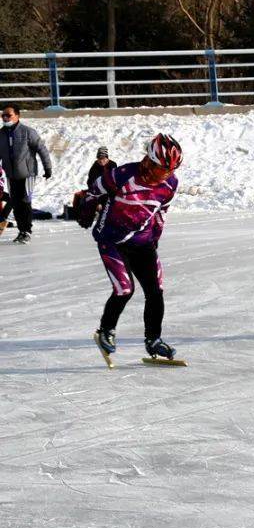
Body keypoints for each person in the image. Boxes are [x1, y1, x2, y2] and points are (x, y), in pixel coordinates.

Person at [81, 133, 183, 363]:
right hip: (112, 241)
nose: (164, 175)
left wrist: (155, 237)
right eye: (160, 169)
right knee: (124, 289)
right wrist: (86, 209)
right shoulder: (124, 174)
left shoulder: (171, 183)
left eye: (169, 170)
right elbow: (93, 191)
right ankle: (106, 330)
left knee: (155, 292)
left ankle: (153, 339)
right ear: (149, 161)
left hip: (143, 242)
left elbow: (161, 213)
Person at [0, 104, 53, 244]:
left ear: (17, 115)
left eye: (8, 115)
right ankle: (21, 231)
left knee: (25, 201)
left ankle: (27, 231)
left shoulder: (28, 132)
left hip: (27, 174)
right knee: (15, 203)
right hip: (11, 175)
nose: (5, 118)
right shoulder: (1, 134)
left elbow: (42, 150)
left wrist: (48, 168)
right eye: (3, 115)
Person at [67, 147, 117, 220]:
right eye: (99, 159)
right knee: (79, 195)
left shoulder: (112, 165)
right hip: (97, 191)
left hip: (110, 191)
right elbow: (91, 182)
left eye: (103, 159)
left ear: (107, 158)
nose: (101, 161)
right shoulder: (94, 167)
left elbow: (115, 181)